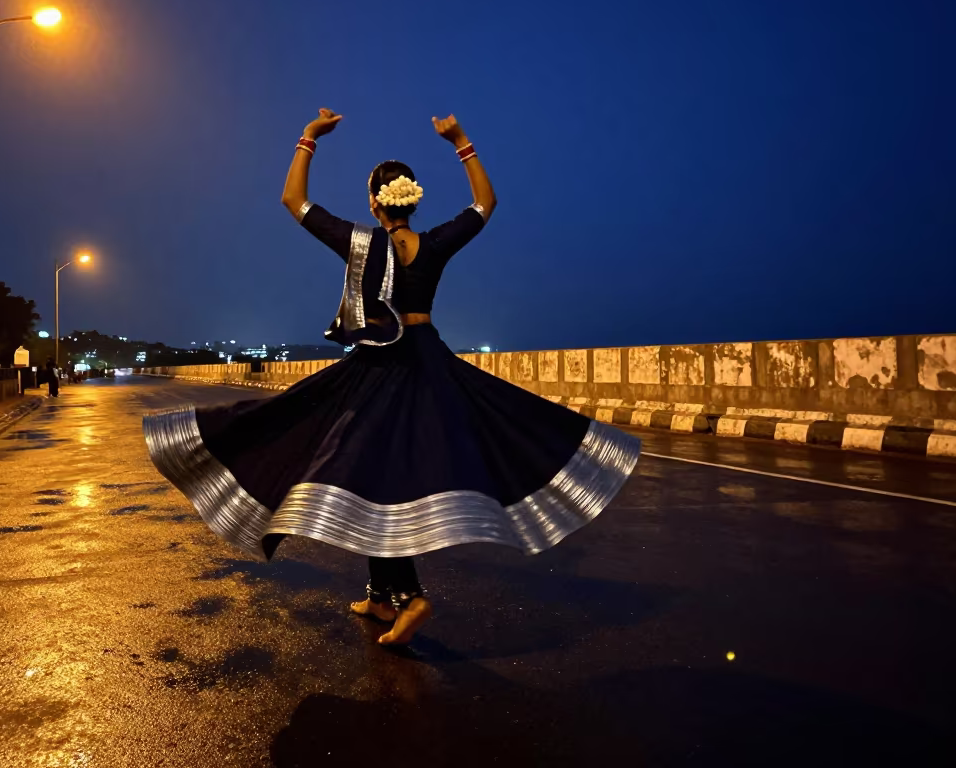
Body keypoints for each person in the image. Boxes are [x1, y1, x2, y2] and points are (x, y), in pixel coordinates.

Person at [145, 109, 641, 646]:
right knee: (396, 470)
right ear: (413, 201)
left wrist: (309, 138)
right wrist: (462, 142)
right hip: (429, 360)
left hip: (379, 368)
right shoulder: (433, 245)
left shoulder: (361, 241)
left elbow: (294, 202)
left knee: (362, 471)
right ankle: (381, 596)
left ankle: (409, 596)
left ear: (375, 203)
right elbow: (485, 206)